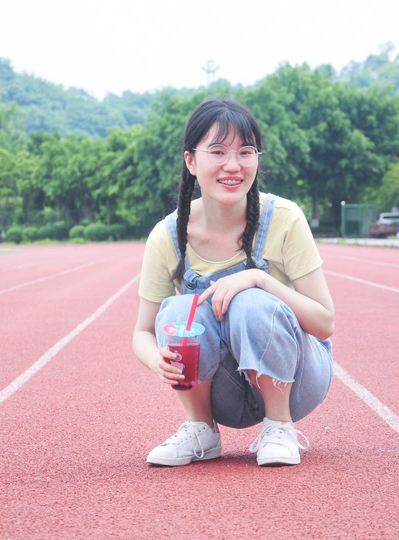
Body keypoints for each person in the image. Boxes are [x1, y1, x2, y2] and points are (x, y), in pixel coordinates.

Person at [132, 98, 335, 467]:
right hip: (221, 392)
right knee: (178, 311)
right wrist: (155, 360)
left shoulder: (284, 218)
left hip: (297, 380)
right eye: (217, 151)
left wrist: (258, 279)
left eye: (245, 151)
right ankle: (201, 430)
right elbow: (143, 331)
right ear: (191, 161)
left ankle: (279, 427)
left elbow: (324, 323)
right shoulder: (168, 235)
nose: (233, 165)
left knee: (251, 301)